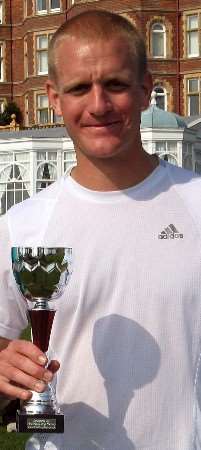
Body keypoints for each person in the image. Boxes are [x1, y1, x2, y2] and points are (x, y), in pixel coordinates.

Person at [0, 8, 201, 450]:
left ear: (146, 89)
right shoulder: (22, 227)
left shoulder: (196, 204)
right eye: (78, 88)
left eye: (115, 84)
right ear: (54, 98)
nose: (98, 105)